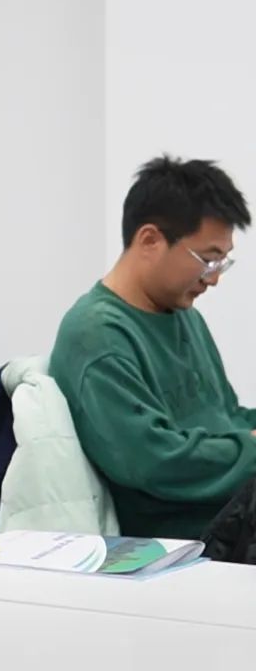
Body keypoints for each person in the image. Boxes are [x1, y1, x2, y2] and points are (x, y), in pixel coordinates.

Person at [50, 155, 256, 540]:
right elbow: (153, 461)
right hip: (187, 536)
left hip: (235, 510)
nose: (213, 279)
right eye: (208, 260)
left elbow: (224, 416)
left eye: (221, 264)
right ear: (150, 240)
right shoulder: (97, 334)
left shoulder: (183, 315)